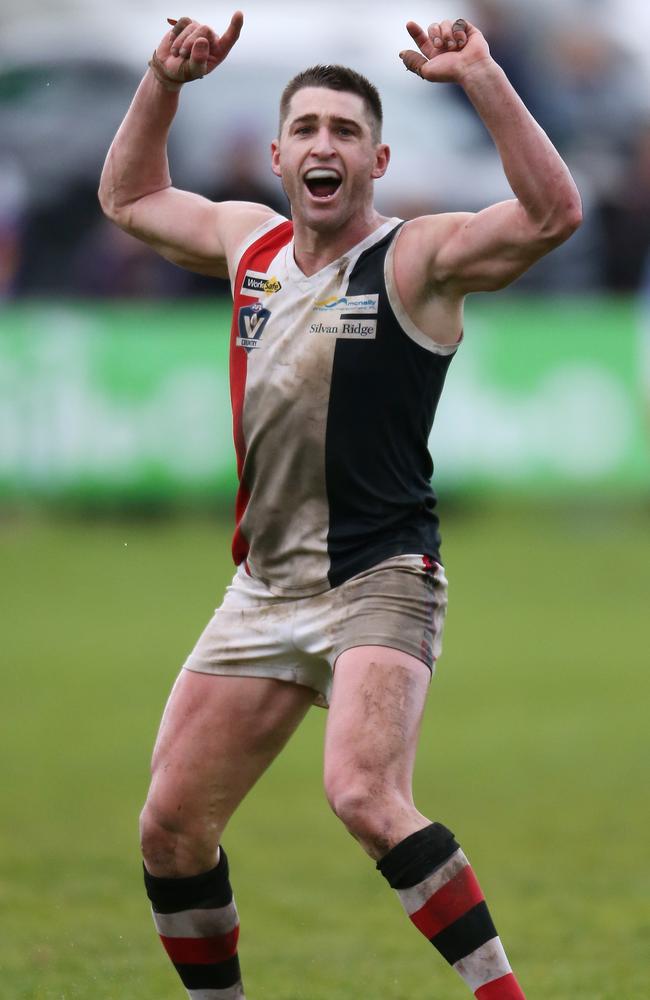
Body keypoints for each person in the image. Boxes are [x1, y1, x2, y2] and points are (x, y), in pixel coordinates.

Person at [99, 11, 581, 999]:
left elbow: (550, 216)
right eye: (307, 127)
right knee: (169, 826)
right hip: (263, 588)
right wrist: (162, 79)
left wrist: (482, 77)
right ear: (276, 153)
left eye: (345, 131)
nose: (324, 143)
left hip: (380, 573)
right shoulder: (248, 245)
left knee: (362, 792)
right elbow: (129, 195)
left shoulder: (417, 258)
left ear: (376, 158)